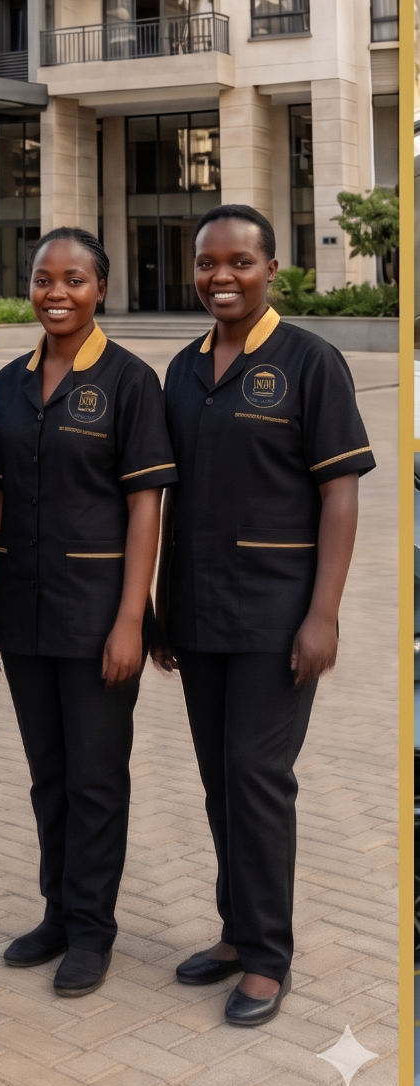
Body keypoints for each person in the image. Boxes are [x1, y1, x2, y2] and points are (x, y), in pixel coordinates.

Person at [156, 203, 374, 1026]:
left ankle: (270, 958)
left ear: (270, 270)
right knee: (220, 782)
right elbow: (167, 498)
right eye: (208, 262)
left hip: (278, 615)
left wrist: (325, 614)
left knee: (257, 778)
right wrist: (162, 603)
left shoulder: (311, 361)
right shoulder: (182, 368)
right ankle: (236, 931)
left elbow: (340, 495)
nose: (220, 276)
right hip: (199, 609)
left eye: (239, 262)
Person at [0, 228, 177, 997]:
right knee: (48, 776)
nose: (55, 292)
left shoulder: (129, 382)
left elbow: (145, 507)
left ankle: (93, 930)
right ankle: (58, 912)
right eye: (42, 279)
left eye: (73, 279)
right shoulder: (10, 381)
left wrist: (134, 617)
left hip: (98, 615)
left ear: (101, 288)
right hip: (23, 610)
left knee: (96, 777)